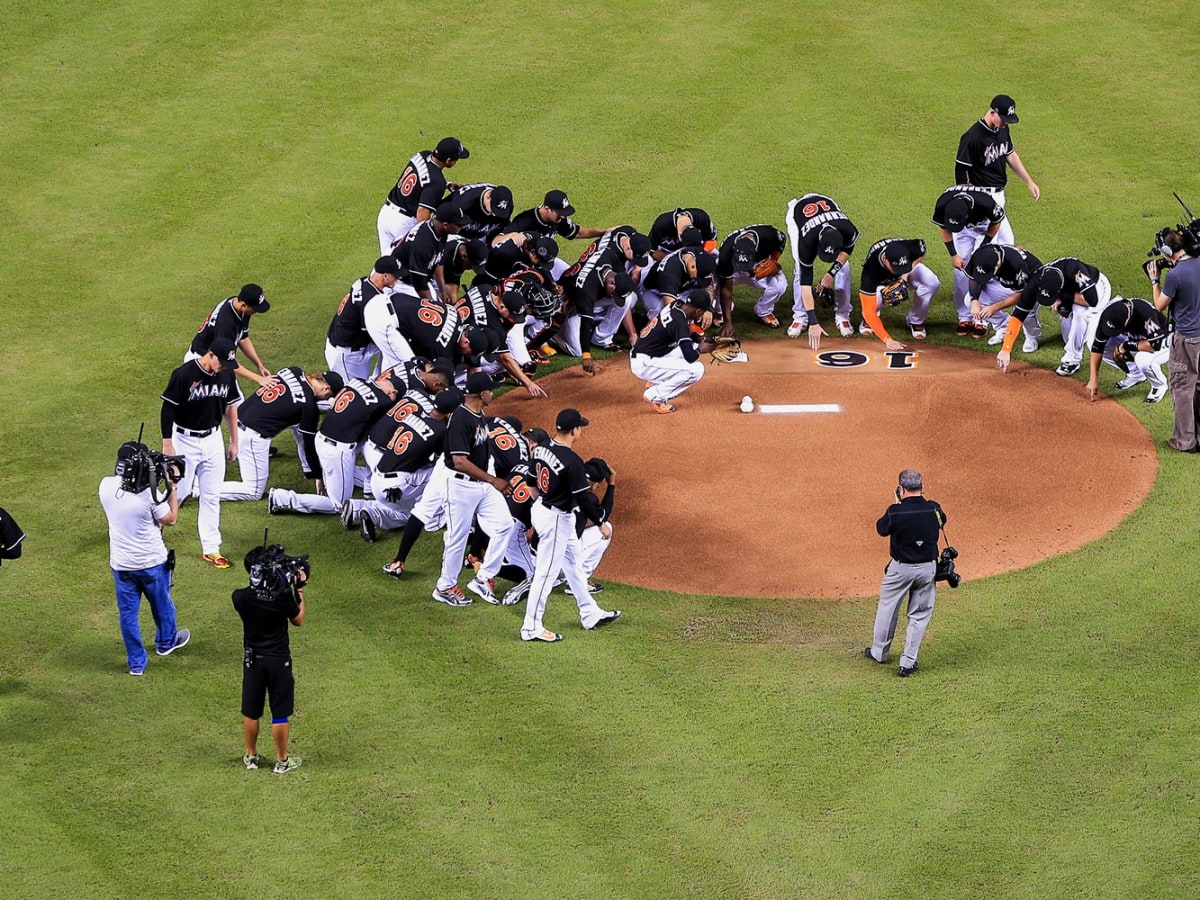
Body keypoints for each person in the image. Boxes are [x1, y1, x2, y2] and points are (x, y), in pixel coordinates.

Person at [520, 409, 621, 642]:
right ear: (574, 430)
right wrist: (600, 522)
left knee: (574, 564)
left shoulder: (541, 448)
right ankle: (531, 627)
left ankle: (590, 612)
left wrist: (546, 503)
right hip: (556, 519)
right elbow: (585, 499)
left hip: (544, 510)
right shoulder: (573, 462)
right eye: (580, 427)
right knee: (545, 575)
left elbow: (531, 484)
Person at [98, 442, 190, 676]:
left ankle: (136, 664)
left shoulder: (105, 486)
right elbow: (170, 519)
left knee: (128, 615)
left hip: (121, 565)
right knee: (162, 604)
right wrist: (173, 487)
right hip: (151, 563)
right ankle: (166, 642)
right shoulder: (149, 495)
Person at [431, 372, 516, 607]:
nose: (494, 392)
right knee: (457, 539)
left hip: (481, 486)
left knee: (504, 525)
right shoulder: (461, 419)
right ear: (483, 393)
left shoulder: (478, 413)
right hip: (459, 486)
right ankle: (445, 587)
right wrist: (492, 479)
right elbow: (459, 461)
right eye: (492, 389)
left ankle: (483, 577)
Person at [161, 335, 242, 568]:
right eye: (222, 362)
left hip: (213, 439)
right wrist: (168, 443)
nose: (225, 368)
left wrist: (233, 441)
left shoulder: (226, 373)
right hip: (184, 440)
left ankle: (211, 548)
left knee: (211, 495)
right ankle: (155, 529)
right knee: (177, 490)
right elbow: (168, 409)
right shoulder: (185, 374)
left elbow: (230, 406)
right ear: (211, 355)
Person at [268, 372, 399, 515]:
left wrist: (319, 473)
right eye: (395, 396)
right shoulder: (382, 402)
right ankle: (281, 498)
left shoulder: (356, 383)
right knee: (339, 504)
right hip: (337, 452)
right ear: (391, 392)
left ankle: (332, 476)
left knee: (349, 471)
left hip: (323, 441)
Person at [864, 469, 947, 677]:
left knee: (888, 609)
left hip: (900, 570)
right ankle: (908, 663)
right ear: (922, 487)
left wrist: (899, 504)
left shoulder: (895, 511)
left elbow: (881, 529)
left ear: (901, 489)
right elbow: (941, 521)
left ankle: (879, 653)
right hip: (928, 569)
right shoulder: (934, 509)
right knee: (919, 615)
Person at [233, 545, 307, 774]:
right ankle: (282, 761)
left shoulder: (240, 597)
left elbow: (257, 595)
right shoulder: (282, 599)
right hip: (279, 662)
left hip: (253, 661)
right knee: (280, 713)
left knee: (251, 710)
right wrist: (300, 592)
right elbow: (299, 620)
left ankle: (251, 756)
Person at [220, 368, 343, 501]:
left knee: (297, 423)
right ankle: (199, 488)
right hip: (251, 437)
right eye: (329, 396)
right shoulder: (309, 407)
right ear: (326, 388)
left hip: (237, 420)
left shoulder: (293, 371)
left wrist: (310, 471)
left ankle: (306, 468)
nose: (325, 399)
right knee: (253, 491)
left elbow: (299, 429)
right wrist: (318, 475)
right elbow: (309, 445)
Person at [994, 259, 1114, 376]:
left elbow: (1092, 300)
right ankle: (1072, 316)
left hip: (1096, 288)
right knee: (1068, 336)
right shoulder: (1035, 281)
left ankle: (1072, 360)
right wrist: (1006, 349)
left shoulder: (1076, 271)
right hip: (1070, 291)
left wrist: (1062, 297)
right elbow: (1018, 315)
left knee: (1081, 314)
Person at [954, 94, 1040, 244]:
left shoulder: (1002, 129)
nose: (1006, 123)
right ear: (992, 112)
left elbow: (1010, 155)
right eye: (1004, 119)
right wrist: (967, 199)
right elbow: (961, 169)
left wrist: (1029, 181)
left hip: (999, 196)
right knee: (989, 247)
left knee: (1008, 241)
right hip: (983, 197)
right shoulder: (972, 137)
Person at [930, 185, 1006, 335]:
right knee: (960, 270)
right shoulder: (943, 203)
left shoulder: (986, 203)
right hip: (963, 231)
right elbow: (944, 228)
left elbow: (996, 223)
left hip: (984, 227)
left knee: (982, 269)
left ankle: (981, 319)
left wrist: (983, 247)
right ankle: (964, 316)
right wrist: (954, 254)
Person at [784, 194, 860, 341]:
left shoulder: (848, 229)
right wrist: (814, 321)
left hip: (827, 204)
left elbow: (847, 251)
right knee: (800, 270)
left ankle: (843, 314)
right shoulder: (806, 240)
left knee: (844, 268)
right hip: (798, 216)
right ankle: (800, 316)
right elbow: (806, 284)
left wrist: (829, 276)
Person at [1150, 230, 1200, 451]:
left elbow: (1159, 306)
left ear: (1168, 251)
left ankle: (1185, 441)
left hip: (1187, 339)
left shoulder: (1175, 276)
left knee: (1182, 387)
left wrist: (1154, 281)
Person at [376, 136, 469, 254]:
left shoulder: (423, 155)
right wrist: (425, 237)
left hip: (386, 214)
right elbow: (423, 211)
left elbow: (424, 177)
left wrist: (447, 184)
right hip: (403, 224)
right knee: (402, 266)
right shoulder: (436, 182)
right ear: (448, 160)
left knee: (386, 265)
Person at [629, 289, 716, 414]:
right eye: (702, 312)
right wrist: (702, 349)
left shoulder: (677, 305)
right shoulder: (679, 322)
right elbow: (690, 357)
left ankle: (655, 381)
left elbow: (686, 331)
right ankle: (655, 395)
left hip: (647, 353)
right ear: (698, 311)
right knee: (696, 370)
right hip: (644, 363)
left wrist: (699, 339)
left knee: (691, 344)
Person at [325, 257, 400, 382]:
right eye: (395, 276)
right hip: (346, 354)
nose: (398, 279)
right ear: (385, 276)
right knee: (353, 391)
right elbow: (376, 334)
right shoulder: (370, 301)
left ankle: (377, 379)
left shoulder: (363, 281)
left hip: (351, 342)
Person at [1084, 297, 1170, 404]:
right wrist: (1093, 379)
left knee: (1142, 359)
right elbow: (1097, 346)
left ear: (1127, 319)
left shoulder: (1145, 314)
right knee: (1095, 342)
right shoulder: (1108, 315)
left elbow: (1155, 345)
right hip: (1140, 339)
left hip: (1165, 342)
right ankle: (1136, 375)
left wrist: (1126, 346)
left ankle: (1159, 385)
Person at [186, 284, 273, 387]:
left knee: (236, 400)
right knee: (217, 402)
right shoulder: (225, 324)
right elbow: (225, 360)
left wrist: (259, 365)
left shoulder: (238, 305)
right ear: (244, 305)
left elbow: (243, 338)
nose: (256, 311)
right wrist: (259, 379)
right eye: (254, 309)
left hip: (219, 363)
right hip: (203, 364)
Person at [855, 238, 940, 345]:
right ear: (885, 259)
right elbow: (868, 312)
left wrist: (904, 276)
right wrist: (887, 339)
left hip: (906, 273)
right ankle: (869, 322)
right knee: (875, 302)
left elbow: (921, 252)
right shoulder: (871, 271)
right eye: (896, 268)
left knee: (932, 283)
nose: (898, 271)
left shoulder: (909, 247)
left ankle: (915, 320)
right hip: (881, 280)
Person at [964, 243, 1043, 351]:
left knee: (1026, 312)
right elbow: (975, 278)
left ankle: (1031, 337)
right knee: (969, 300)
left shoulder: (1016, 263)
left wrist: (995, 307)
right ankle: (1003, 325)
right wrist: (974, 300)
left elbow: (1022, 295)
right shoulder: (980, 255)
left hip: (1031, 287)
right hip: (1005, 284)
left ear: (998, 264)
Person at [714, 224, 788, 332]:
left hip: (756, 268)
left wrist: (773, 260)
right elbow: (726, 288)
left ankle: (764, 311)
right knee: (714, 280)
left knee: (780, 285)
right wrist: (727, 323)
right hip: (734, 270)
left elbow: (781, 240)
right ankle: (720, 311)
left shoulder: (769, 235)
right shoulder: (726, 251)